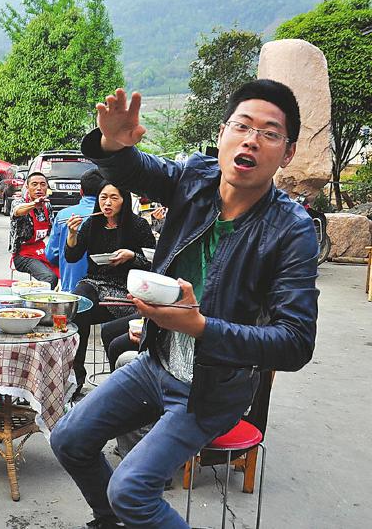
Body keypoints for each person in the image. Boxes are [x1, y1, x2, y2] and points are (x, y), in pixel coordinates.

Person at [51, 80, 318, 528]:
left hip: (213, 388)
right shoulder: (195, 178)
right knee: (68, 439)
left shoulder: (291, 229)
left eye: (269, 133)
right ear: (222, 133)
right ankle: (111, 520)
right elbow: (138, 168)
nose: (251, 140)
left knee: (132, 490)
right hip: (156, 362)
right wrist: (112, 144)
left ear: (287, 153)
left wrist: (201, 327)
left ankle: (124, 512)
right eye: (242, 126)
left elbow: (295, 343)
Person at [65, 181, 156, 399]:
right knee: (78, 305)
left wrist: (131, 256)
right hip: (94, 282)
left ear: (124, 200)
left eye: (114, 198)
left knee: (107, 328)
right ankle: (76, 377)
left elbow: (153, 261)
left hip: (126, 287)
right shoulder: (92, 223)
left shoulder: (138, 225)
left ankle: (119, 383)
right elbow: (72, 256)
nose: (107, 203)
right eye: (103, 197)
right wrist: (72, 234)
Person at [45, 169, 102, 292]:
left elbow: (52, 255)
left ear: (81, 191)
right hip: (103, 288)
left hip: (71, 285)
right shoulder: (111, 217)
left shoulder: (64, 215)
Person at [9, 172, 59, 288]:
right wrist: (33, 204)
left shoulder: (47, 206)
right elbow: (17, 210)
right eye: (34, 184)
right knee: (50, 278)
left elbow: (54, 230)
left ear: (47, 187)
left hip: (41, 251)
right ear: (27, 187)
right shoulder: (19, 202)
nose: (39, 188)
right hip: (22, 255)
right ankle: (38, 299)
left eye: (42, 184)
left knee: (70, 266)